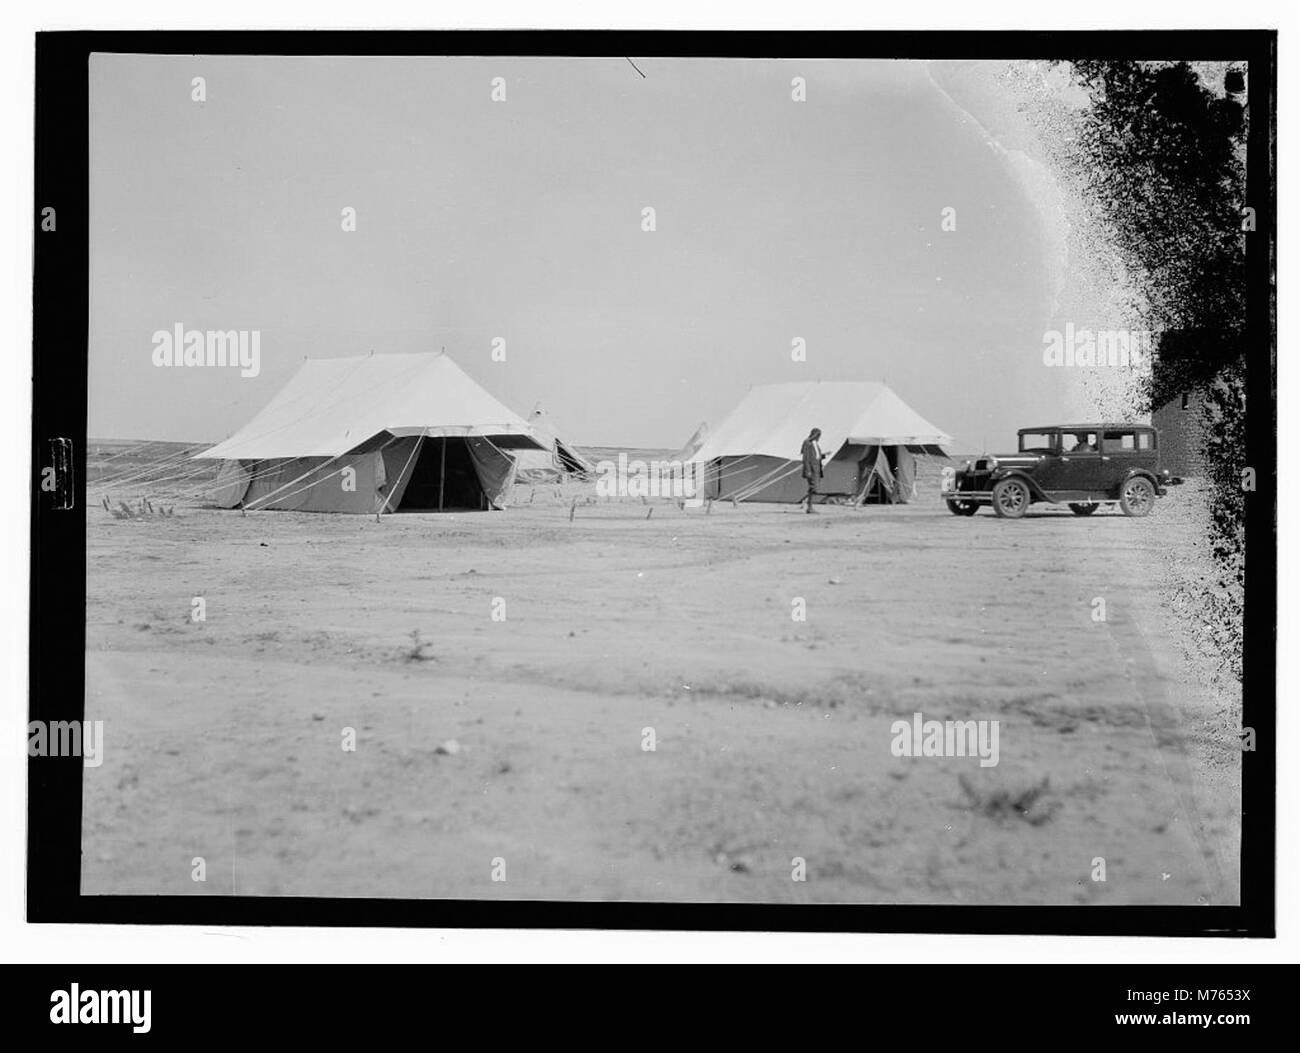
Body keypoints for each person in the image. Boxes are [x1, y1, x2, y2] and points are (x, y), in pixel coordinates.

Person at [800, 428, 827, 513]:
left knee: (814, 487)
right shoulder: (808, 443)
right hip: (811, 469)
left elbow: (815, 456)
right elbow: (806, 458)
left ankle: (809, 505)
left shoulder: (815, 444)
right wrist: (808, 470)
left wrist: (823, 455)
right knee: (813, 487)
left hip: (816, 469)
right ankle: (809, 506)